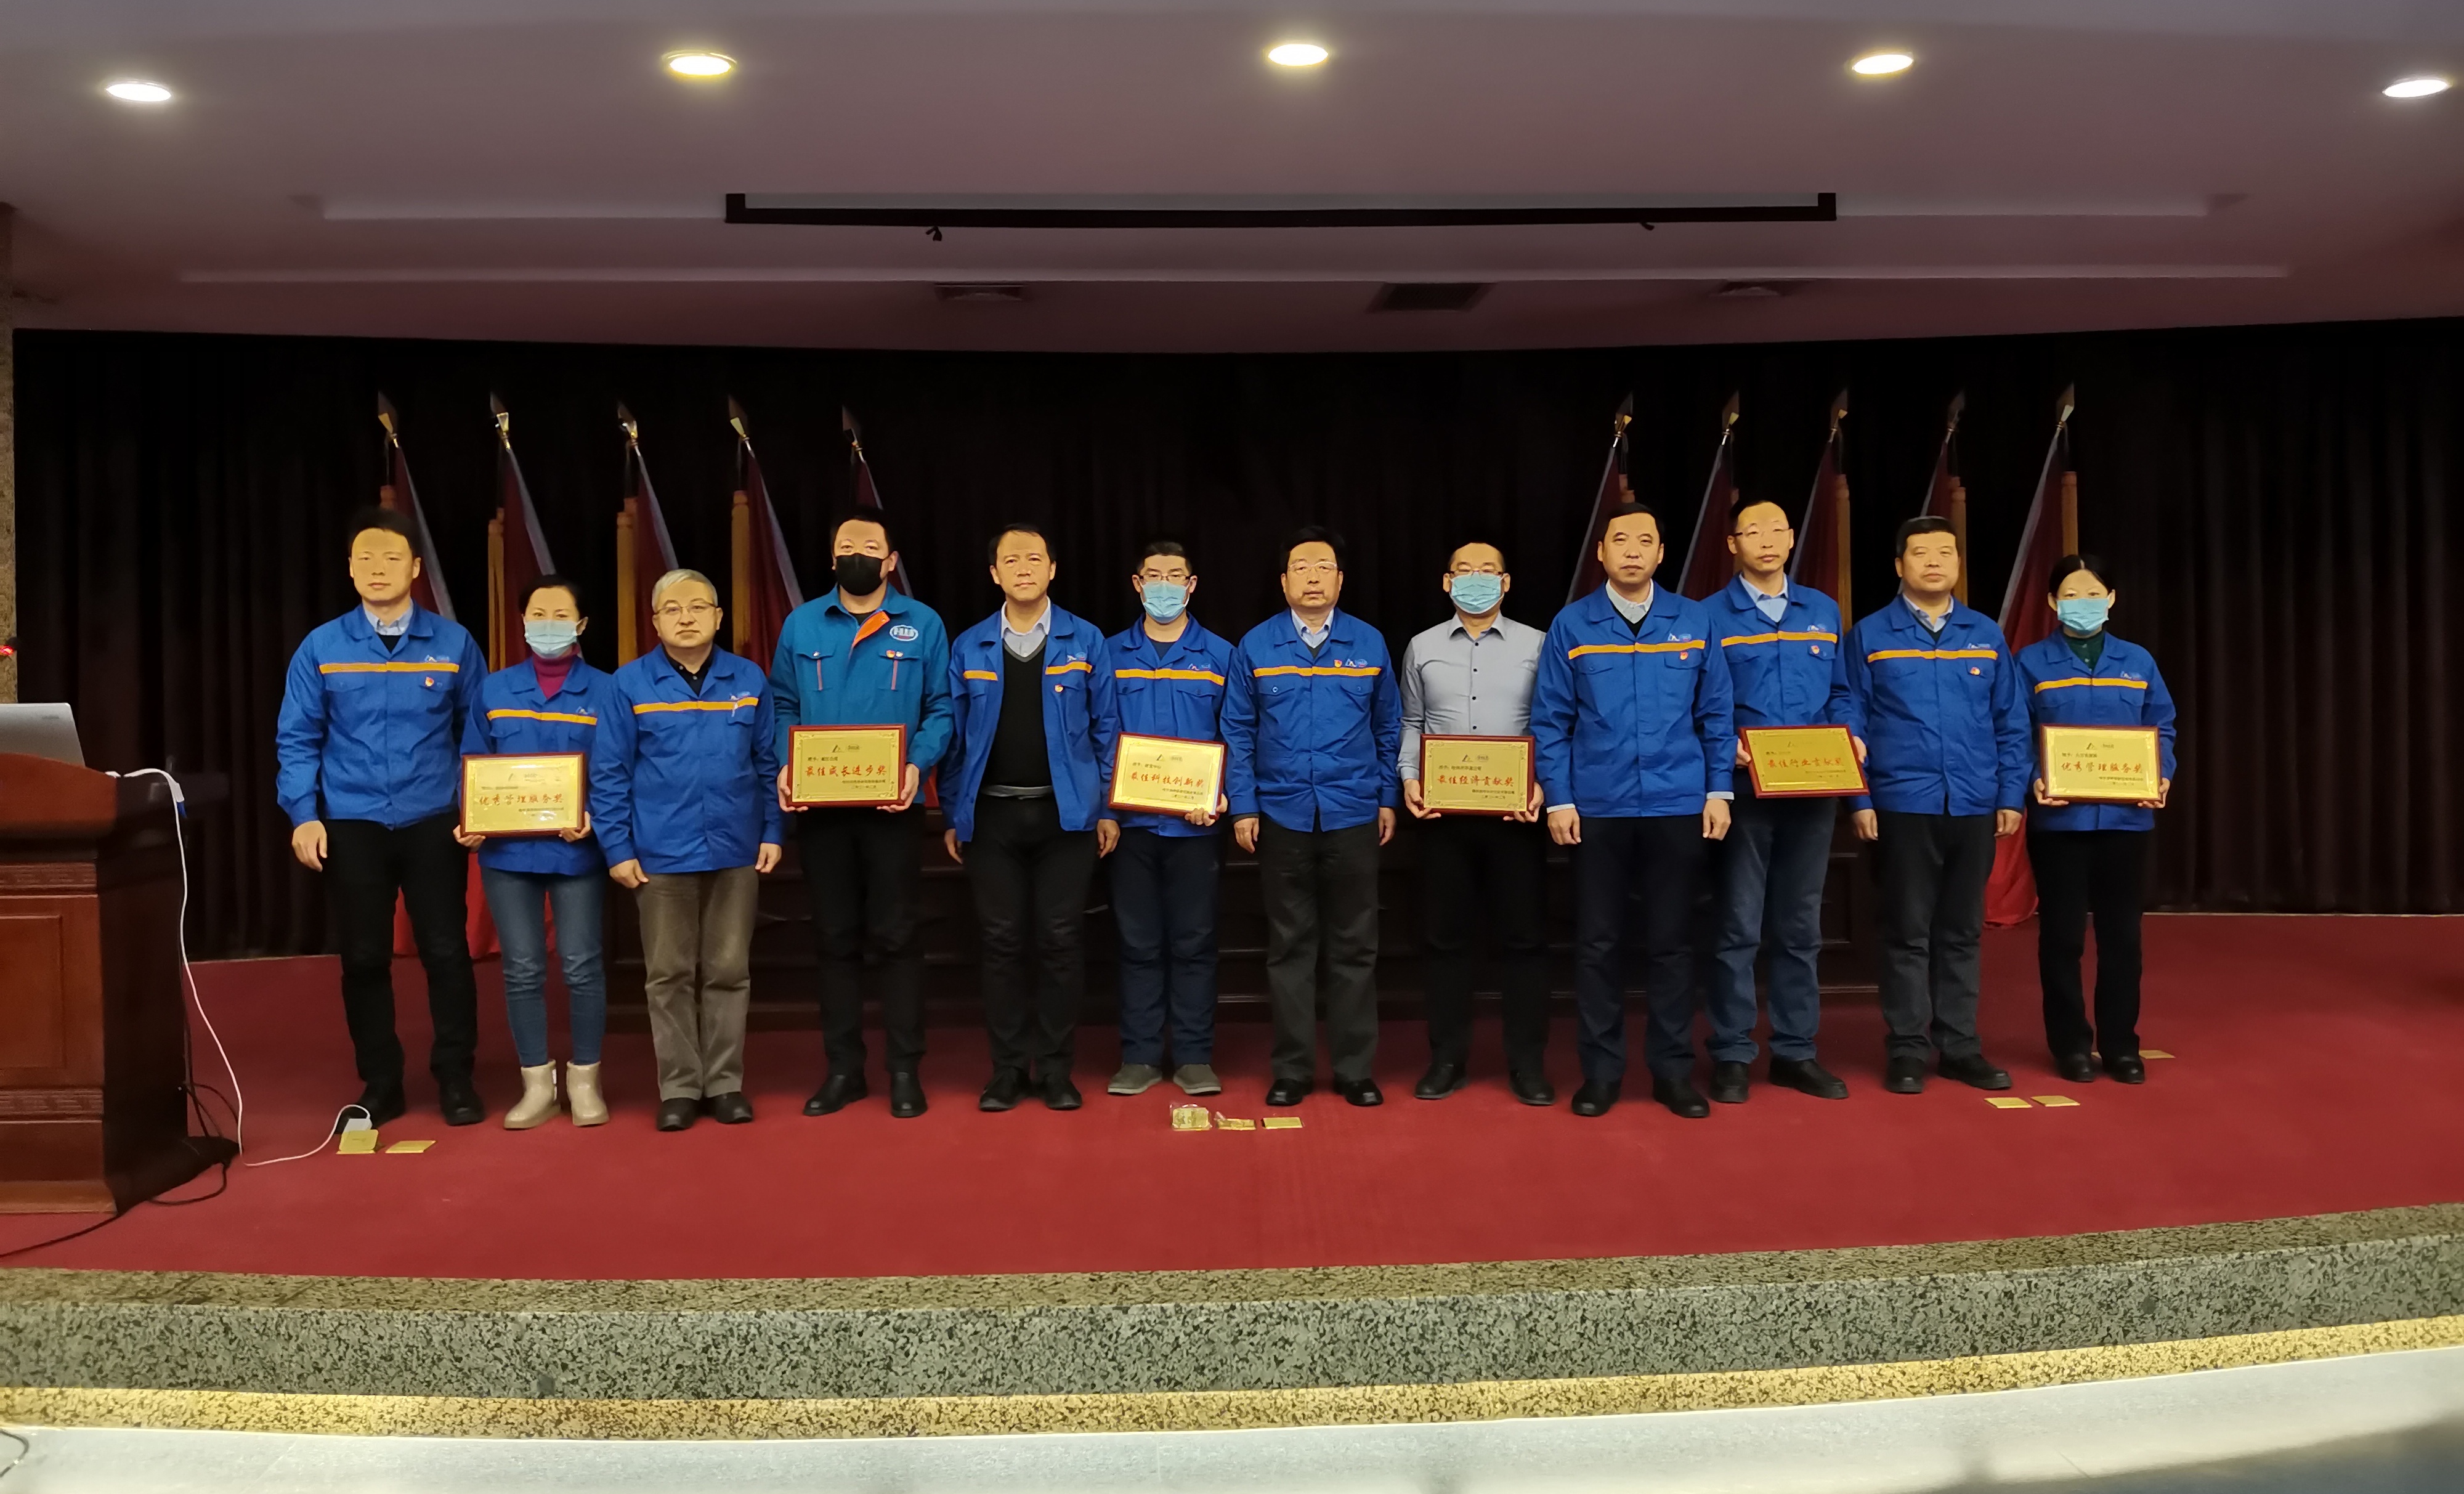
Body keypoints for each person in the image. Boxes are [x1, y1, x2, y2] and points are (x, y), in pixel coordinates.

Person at [276, 508, 489, 1130]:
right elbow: (297, 738)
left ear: (415, 568)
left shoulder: (453, 643)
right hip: (351, 821)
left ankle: (456, 1077)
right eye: (365, 558)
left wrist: (475, 807)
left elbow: (478, 734)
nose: (378, 569)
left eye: (391, 557)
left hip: (434, 819)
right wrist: (303, 814)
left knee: (446, 952)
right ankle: (382, 1081)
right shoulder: (322, 647)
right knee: (364, 957)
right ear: (349, 568)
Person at [1531, 501, 1734, 1119]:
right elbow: (1551, 719)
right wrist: (1559, 797)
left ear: (1661, 553)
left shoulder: (1693, 621)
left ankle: (1672, 1071)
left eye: (1645, 540)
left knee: (1673, 944)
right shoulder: (1572, 624)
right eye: (1620, 540)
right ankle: (1601, 1072)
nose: (1632, 550)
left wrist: (1719, 791)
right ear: (1601, 552)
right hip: (1598, 806)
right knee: (1598, 944)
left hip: (1678, 803)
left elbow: (1717, 714)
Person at [769, 513, 953, 1121]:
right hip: (822, 809)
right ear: (831, 558)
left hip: (892, 806)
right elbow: (782, 703)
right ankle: (843, 1070)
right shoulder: (802, 624)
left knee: (898, 937)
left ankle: (904, 1069)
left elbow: (941, 708)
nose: (857, 554)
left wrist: (917, 765)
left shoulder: (923, 623)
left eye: (870, 547)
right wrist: (788, 762)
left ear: (890, 560)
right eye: (846, 546)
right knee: (834, 939)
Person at [591, 569, 784, 1132]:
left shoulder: (748, 679)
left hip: (735, 848)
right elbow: (609, 774)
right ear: (655, 622)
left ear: (718, 617)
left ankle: (724, 1083)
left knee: (728, 970)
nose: (686, 617)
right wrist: (617, 847)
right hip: (660, 851)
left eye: (698, 607)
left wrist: (774, 831)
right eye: (672, 609)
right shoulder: (629, 684)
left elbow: (768, 763)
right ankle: (678, 1086)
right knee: (669, 974)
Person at [1846, 517, 2031, 1095]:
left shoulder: (1984, 633)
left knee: (1962, 930)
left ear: (1957, 563)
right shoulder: (1871, 634)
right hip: (1902, 802)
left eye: (1945, 552)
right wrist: (1859, 797)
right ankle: (1906, 1047)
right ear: (1899, 565)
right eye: (1921, 553)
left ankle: (1959, 1046)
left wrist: (2010, 793)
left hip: (1973, 802)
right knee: (1906, 930)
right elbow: (1850, 721)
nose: (1934, 562)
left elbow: (2011, 721)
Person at [942, 522, 1118, 1113]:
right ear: (994, 573)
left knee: (1061, 941)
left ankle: (1058, 1070)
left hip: (1067, 819)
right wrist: (954, 813)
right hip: (992, 818)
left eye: (1034, 558)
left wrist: (1108, 808)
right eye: (1011, 560)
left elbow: (1108, 730)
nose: (1023, 568)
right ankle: (1008, 1070)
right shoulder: (970, 646)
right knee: (1000, 944)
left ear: (1052, 569)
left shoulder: (1086, 640)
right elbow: (955, 740)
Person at [1223, 526, 1401, 1108]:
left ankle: (1354, 1069)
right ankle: (1293, 1070)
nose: (1313, 577)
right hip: (1282, 815)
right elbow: (1238, 731)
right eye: (1302, 567)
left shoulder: (1369, 643)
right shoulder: (1256, 646)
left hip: (1353, 813)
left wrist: (1387, 799)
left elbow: (1389, 727)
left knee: (1355, 947)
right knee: (1289, 948)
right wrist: (1244, 806)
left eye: (1324, 567)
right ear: (1284, 582)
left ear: (1341, 580)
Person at [1702, 497, 1858, 1104]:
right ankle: (1732, 1051)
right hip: (1744, 793)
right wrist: (1727, 748)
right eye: (1752, 531)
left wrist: (1852, 735)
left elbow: (1840, 692)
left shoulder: (1821, 610)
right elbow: (1702, 702)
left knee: (1800, 927)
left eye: (1776, 529)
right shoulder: (1708, 615)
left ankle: (1795, 1050)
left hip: (1813, 790)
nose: (1766, 540)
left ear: (1792, 538)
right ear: (1732, 544)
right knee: (1738, 926)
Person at [1397, 540, 1552, 1105]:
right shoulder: (1422, 646)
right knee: (1445, 940)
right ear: (1447, 581)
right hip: (1443, 816)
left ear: (1506, 583)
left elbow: (1552, 722)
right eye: (1464, 570)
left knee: (1525, 941)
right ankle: (1447, 1059)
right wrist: (1409, 777)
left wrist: (1543, 785)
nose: (1476, 578)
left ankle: (1528, 1065)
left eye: (1488, 571)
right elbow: (1412, 721)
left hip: (1517, 814)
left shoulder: (1539, 644)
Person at [454, 574, 612, 1130]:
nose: (548, 624)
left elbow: (617, 768)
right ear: (522, 622)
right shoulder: (494, 690)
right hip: (508, 855)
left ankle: (586, 1081)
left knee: (582, 964)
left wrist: (595, 818)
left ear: (581, 624)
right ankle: (536, 1085)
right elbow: (472, 761)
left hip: (577, 853)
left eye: (560, 615)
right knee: (521, 968)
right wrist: (471, 816)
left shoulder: (607, 691)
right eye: (538, 614)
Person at [2017, 554, 2176, 1085]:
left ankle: (2121, 1044)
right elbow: (2016, 731)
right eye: (2070, 594)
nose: (2082, 603)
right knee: (2062, 937)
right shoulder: (2031, 663)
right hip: (2059, 823)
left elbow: (2162, 726)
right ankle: (2070, 1045)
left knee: (2122, 938)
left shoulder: (2138, 661)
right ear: (2052, 602)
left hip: (2126, 822)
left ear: (2110, 599)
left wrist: (2161, 775)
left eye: (2092, 594)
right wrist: (2034, 778)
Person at [1096, 539, 1236, 1099]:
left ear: (1192, 585)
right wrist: (1106, 809)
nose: (1164, 586)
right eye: (1153, 576)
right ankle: (1140, 1056)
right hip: (1129, 828)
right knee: (1137, 943)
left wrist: (1221, 793)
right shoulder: (1108, 653)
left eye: (1175, 576)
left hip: (1196, 827)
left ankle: (1195, 1057)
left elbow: (1238, 734)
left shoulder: (1222, 656)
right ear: (1137, 585)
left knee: (1195, 942)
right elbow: (1097, 735)